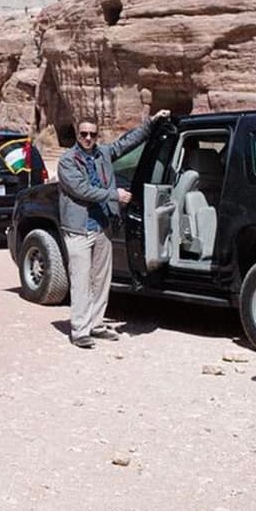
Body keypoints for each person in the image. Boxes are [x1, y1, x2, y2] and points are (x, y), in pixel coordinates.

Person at [57, 109, 169, 348]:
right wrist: (113, 195)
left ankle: (96, 324)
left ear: (97, 136)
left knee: (101, 279)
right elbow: (81, 189)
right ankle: (80, 330)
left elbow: (127, 143)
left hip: (102, 226)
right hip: (78, 230)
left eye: (92, 134)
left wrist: (151, 123)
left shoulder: (103, 154)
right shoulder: (67, 161)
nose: (88, 138)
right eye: (84, 134)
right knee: (80, 280)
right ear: (77, 134)